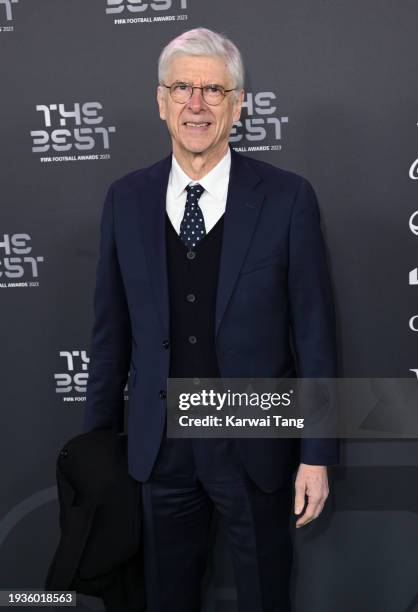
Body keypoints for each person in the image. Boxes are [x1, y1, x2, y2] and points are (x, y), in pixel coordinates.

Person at [84, 27, 339, 612]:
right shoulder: (126, 199)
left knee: (264, 597)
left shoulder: (287, 198)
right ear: (160, 100)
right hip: (158, 450)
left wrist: (317, 453)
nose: (196, 105)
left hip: (254, 444)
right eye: (182, 88)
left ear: (238, 103)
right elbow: (110, 335)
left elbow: (315, 335)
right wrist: (97, 450)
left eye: (213, 91)